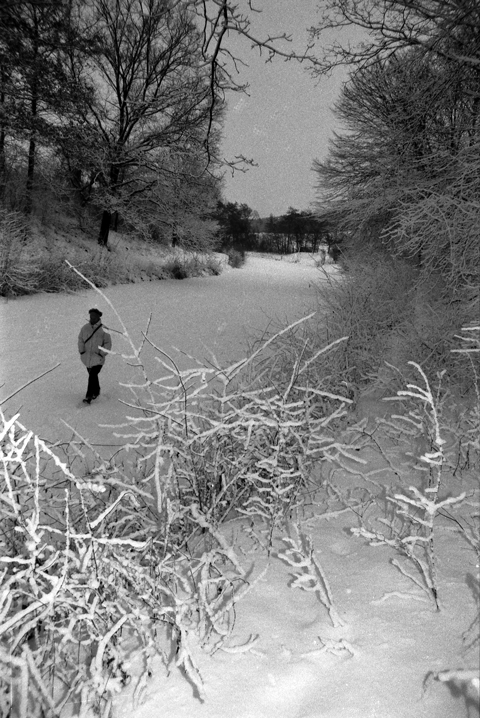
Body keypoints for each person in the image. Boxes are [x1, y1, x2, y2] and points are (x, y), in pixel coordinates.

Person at [78, 308, 112, 404]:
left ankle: (88, 396)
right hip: (86, 358)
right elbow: (80, 340)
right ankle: (96, 391)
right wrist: (82, 352)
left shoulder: (104, 330)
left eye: (94, 316)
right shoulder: (85, 328)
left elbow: (108, 344)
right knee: (93, 375)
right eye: (90, 316)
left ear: (98, 317)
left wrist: (101, 354)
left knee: (92, 375)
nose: (92, 318)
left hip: (98, 359)